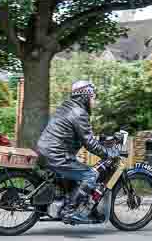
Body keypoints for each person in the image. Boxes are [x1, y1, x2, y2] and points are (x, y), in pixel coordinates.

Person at [36, 80, 118, 224]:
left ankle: (90, 211)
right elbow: (89, 143)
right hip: (57, 155)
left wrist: (100, 143)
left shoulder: (66, 107)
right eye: (93, 97)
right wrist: (107, 153)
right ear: (85, 97)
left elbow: (81, 135)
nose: (94, 101)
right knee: (91, 175)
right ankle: (69, 211)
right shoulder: (79, 113)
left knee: (75, 176)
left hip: (45, 150)